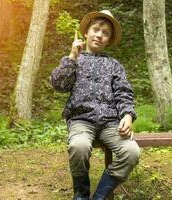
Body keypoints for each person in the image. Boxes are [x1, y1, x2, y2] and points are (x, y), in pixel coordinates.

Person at [50, 10, 140, 200]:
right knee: (79, 146)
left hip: (110, 123)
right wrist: (72, 57)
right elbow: (58, 85)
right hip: (81, 121)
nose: (99, 35)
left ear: (108, 40)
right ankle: (81, 194)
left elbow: (124, 93)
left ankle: (100, 196)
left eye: (105, 33)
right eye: (96, 30)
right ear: (86, 33)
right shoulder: (75, 60)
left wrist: (127, 116)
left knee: (131, 152)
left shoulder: (113, 65)